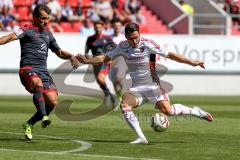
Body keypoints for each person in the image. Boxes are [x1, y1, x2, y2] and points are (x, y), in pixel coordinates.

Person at [76, 22, 213, 144]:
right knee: (124, 104)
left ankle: (196, 112)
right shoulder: (122, 46)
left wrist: (192, 62)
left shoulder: (147, 43)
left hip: (153, 85)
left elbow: (170, 55)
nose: (134, 41)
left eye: (136, 37)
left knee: (168, 111)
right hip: (137, 88)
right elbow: (105, 57)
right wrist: (87, 61)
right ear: (126, 37)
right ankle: (141, 137)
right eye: (131, 38)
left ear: (139, 33)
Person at [0, 4, 80, 140]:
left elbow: (59, 52)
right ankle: (44, 116)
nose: (46, 21)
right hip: (28, 69)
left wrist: (71, 56)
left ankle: (29, 123)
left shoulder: (48, 34)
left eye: (47, 18)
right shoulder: (26, 29)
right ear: (35, 18)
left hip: (43, 71)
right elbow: (10, 37)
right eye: (43, 18)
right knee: (37, 83)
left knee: (53, 102)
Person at [84, 20, 115, 105]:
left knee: (100, 79)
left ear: (103, 27)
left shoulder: (108, 38)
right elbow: (86, 52)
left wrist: (112, 59)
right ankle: (110, 96)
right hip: (95, 62)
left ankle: (109, 96)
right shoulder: (90, 39)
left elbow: (115, 49)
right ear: (93, 27)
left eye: (99, 27)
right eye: (96, 27)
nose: (98, 29)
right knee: (99, 81)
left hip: (104, 62)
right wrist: (87, 58)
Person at [109, 20, 127, 110]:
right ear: (113, 27)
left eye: (118, 26)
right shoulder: (110, 38)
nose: (116, 27)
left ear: (121, 27)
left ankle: (123, 97)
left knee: (119, 78)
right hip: (112, 61)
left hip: (122, 60)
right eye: (115, 26)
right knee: (114, 82)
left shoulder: (124, 38)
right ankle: (118, 99)